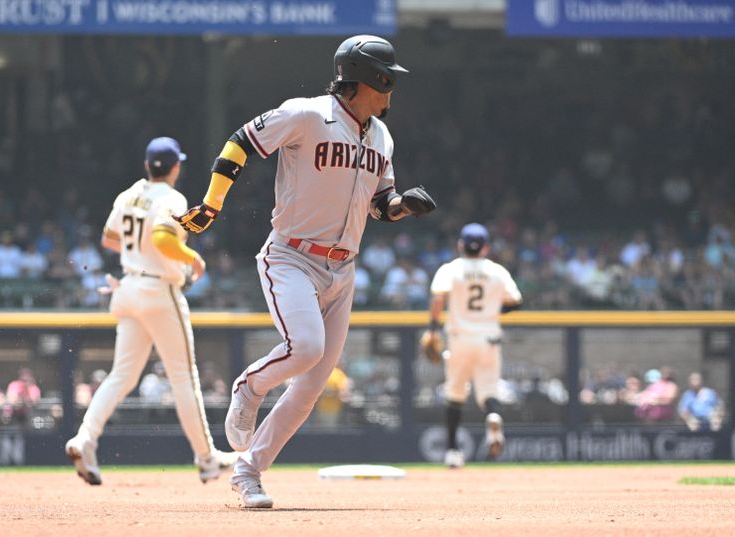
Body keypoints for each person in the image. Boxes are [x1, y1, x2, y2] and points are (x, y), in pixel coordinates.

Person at [175, 35, 436, 508]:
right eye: (387, 82)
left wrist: (402, 207)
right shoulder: (307, 114)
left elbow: (379, 206)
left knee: (312, 384)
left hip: (343, 269)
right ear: (367, 79)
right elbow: (240, 142)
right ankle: (250, 384)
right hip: (291, 257)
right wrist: (213, 203)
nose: (392, 92)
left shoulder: (381, 136)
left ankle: (248, 472)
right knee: (307, 348)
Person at [64, 137, 237, 486]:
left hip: (129, 286)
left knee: (121, 376)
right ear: (175, 167)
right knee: (183, 377)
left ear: (147, 165)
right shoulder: (172, 198)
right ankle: (207, 459)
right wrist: (193, 257)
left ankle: (84, 439)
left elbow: (109, 239)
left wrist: (139, 253)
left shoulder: (127, 194)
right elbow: (161, 239)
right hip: (158, 288)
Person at [421, 223, 522, 468]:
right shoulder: (496, 271)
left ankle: (454, 451)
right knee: (488, 390)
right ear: (486, 247)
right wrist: (492, 309)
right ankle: (493, 416)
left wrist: (433, 329)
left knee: (455, 394)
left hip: (458, 338)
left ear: (460, 245)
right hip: (488, 337)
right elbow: (516, 301)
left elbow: (437, 297)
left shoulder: (451, 269)